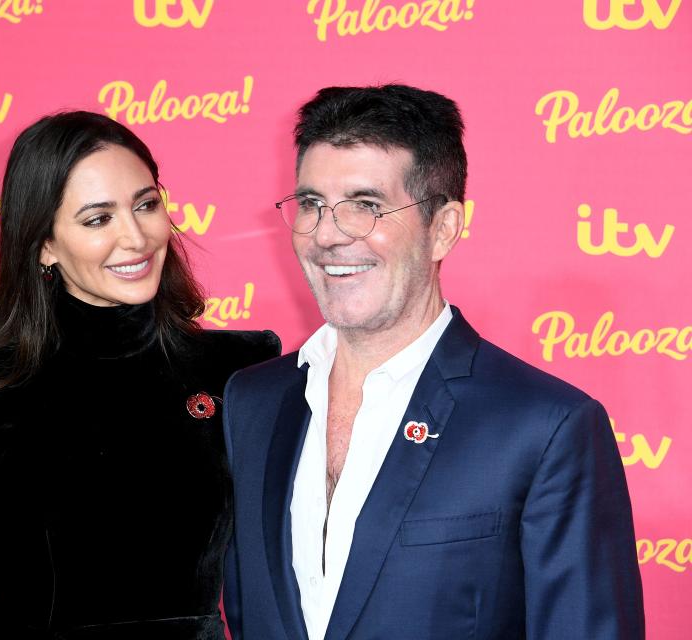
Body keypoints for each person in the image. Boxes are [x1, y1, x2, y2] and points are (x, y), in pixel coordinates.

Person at [222, 85, 644, 640]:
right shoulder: (251, 403)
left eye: (366, 206)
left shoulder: (545, 427)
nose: (327, 234)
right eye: (312, 204)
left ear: (443, 228)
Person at [0, 111, 280, 639]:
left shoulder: (239, 368)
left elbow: (275, 574)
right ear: (43, 245)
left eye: (146, 205)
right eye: (98, 219)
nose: (136, 236)